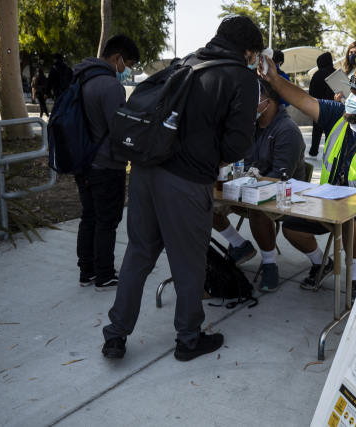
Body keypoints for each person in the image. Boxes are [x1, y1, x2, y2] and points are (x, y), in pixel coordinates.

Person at [102, 16, 263, 361]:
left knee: (138, 254)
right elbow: (237, 146)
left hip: (146, 171)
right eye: (254, 55)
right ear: (248, 51)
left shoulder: (187, 61)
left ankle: (115, 336)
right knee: (189, 263)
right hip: (186, 182)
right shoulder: (242, 78)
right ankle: (189, 339)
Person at [259, 57, 356, 301]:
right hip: (328, 199)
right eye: (351, 93)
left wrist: (337, 205)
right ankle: (322, 263)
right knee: (292, 228)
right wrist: (273, 78)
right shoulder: (340, 114)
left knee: (352, 221)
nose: (351, 99)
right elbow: (304, 101)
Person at [212, 79, 306, 292]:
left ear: (269, 102)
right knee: (203, 202)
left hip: (285, 195)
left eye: (251, 100)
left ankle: (270, 264)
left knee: (257, 207)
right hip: (247, 189)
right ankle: (240, 245)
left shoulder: (287, 130)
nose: (245, 105)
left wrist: (243, 188)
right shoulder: (248, 127)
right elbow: (236, 161)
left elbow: (280, 178)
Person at [71, 35, 140, 293]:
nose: (127, 70)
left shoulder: (81, 78)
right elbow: (120, 130)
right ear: (117, 58)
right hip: (107, 165)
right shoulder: (111, 86)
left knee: (89, 217)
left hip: (83, 162)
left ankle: (86, 272)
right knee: (107, 221)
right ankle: (104, 275)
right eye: (128, 63)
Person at [307, 52, 336, 159]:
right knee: (331, 132)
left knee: (317, 130)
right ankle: (329, 154)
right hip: (335, 109)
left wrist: (309, 110)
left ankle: (313, 152)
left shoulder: (318, 74)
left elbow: (312, 93)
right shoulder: (336, 74)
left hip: (319, 107)